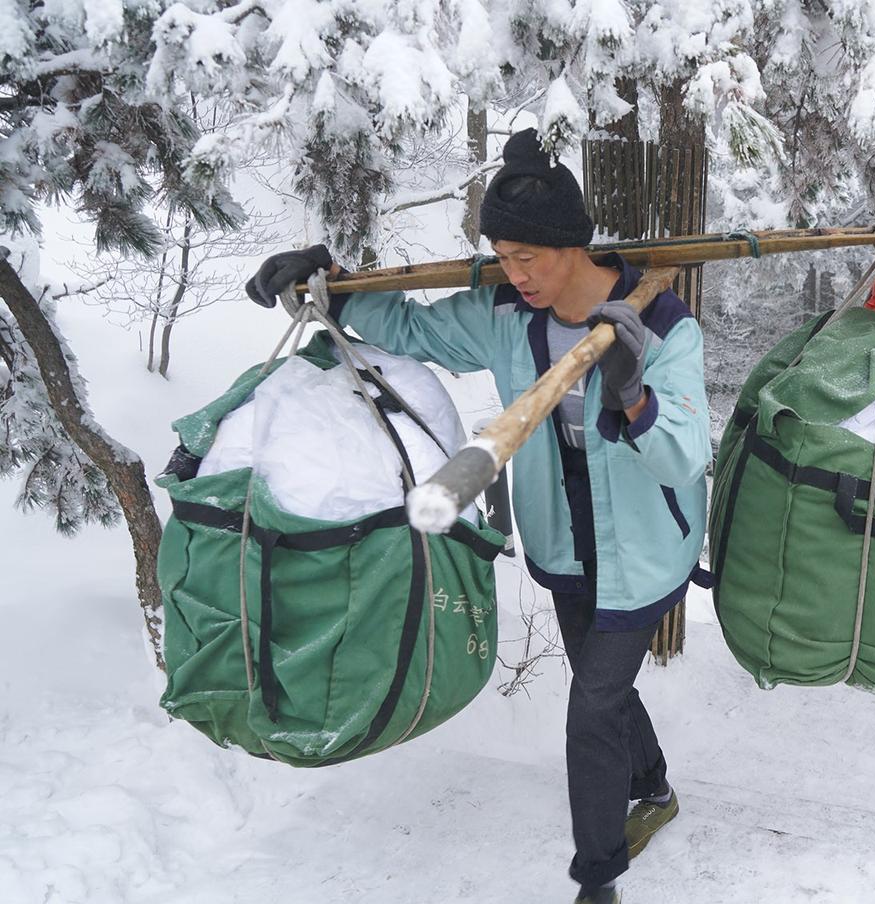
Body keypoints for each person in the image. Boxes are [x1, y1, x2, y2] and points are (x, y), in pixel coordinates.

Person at [247, 128, 711, 904]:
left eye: (531, 256)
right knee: (603, 687)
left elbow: (683, 456)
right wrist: (333, 282)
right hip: (564, 547)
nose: (517, 272)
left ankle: (598, 878)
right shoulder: (504, 314)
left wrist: (634, 393)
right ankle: (655, 787)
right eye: (503, 253)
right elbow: (415, 329)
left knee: (591, 708)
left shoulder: (662, 328)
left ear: (574, 245)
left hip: (646, 552)